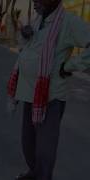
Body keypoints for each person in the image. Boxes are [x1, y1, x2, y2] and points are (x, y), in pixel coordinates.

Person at [7, 0, 90, 180]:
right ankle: (34, 173)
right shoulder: (38, 20)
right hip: (29, 94)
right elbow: (28, 50)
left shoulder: (68, 22)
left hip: (50, 97)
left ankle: (42, 176)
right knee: (28, 143)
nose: (34, 3)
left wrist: (70, 66)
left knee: (45, 149)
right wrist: (25, 35)